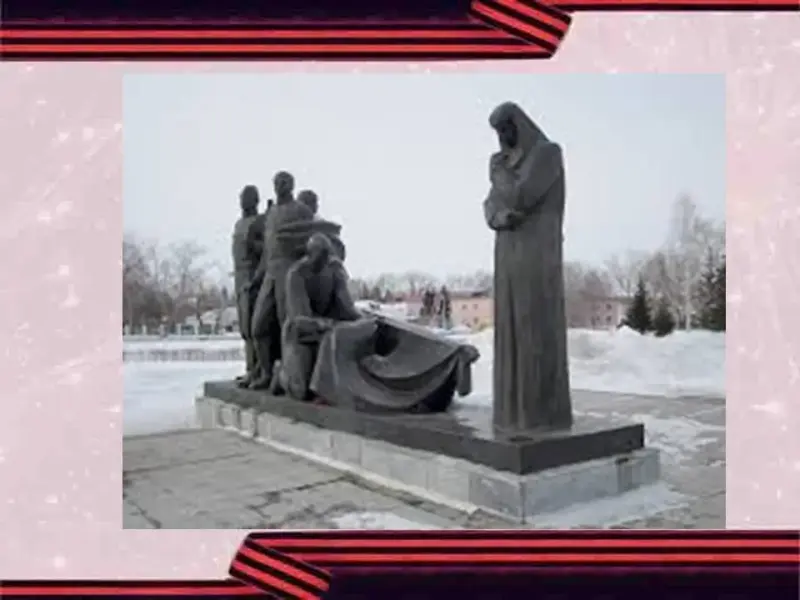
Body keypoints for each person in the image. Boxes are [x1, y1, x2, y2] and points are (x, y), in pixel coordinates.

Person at [483, 102, 572, 432]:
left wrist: (498, 173)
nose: (502, 137)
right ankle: (511, 412)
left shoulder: (547, 153)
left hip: (537, 252)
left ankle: (540, 413)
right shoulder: (507, 163)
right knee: (510, 327)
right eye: (498, 132)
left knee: (533, 325)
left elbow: (521, 195)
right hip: (507, 250)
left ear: (519, 124)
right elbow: (490, 204)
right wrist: (499, 217)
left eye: (506, 129)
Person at [276, 233, 363, 401]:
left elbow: (347, 307)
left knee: (338, 340)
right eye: (319, 256)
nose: (324, 261)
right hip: (300, 334)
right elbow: (299, 319)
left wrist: (362, 319)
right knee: (300, 391)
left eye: (326, 256)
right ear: (309, 255)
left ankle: (326, 389)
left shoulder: (335, 270)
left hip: (328, 330)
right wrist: (324, 324)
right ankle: (280, 373)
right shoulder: (297, 274)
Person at [249, 171, 314, 389]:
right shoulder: (271, 214)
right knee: (258, 327)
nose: (280, 185)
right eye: (277, 182)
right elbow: (267, 250)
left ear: (292, 185)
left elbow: (311, 242)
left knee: (287, 325)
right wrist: (257, 278)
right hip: (270, 273)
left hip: (289, 271)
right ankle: (266, 373)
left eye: (284, 182)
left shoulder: (301, 211)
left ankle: (289, 377)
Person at [230, 185, 266, 387]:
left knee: (254, 327)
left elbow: (266, 251)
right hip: (239, 278)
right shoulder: (238, 224)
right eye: (241, 197)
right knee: (245, 328)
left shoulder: (260, 222)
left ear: (255, 200)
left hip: (253, 278)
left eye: (247, 198)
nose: (242, 201)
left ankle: (258, 370)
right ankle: (250, 368)